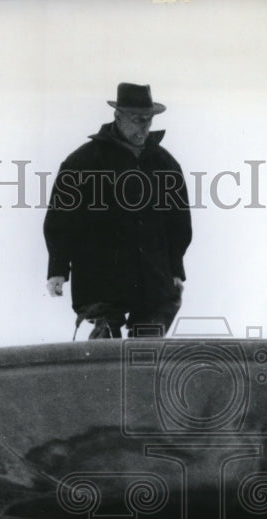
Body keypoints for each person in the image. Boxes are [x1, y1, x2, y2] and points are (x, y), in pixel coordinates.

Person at [44, 83, 192, 339]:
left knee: (148, 345)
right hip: (101, 274)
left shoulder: (164, 164)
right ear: (118, 116)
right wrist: (58, 268)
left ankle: (139, 373)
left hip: (151, 276)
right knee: (106, 342)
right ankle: (102, 360)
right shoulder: (83, 162)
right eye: (137, 120)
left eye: (148, 120)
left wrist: (176, 269)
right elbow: (61, 217)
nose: (143, 127)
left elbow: (179, 221)